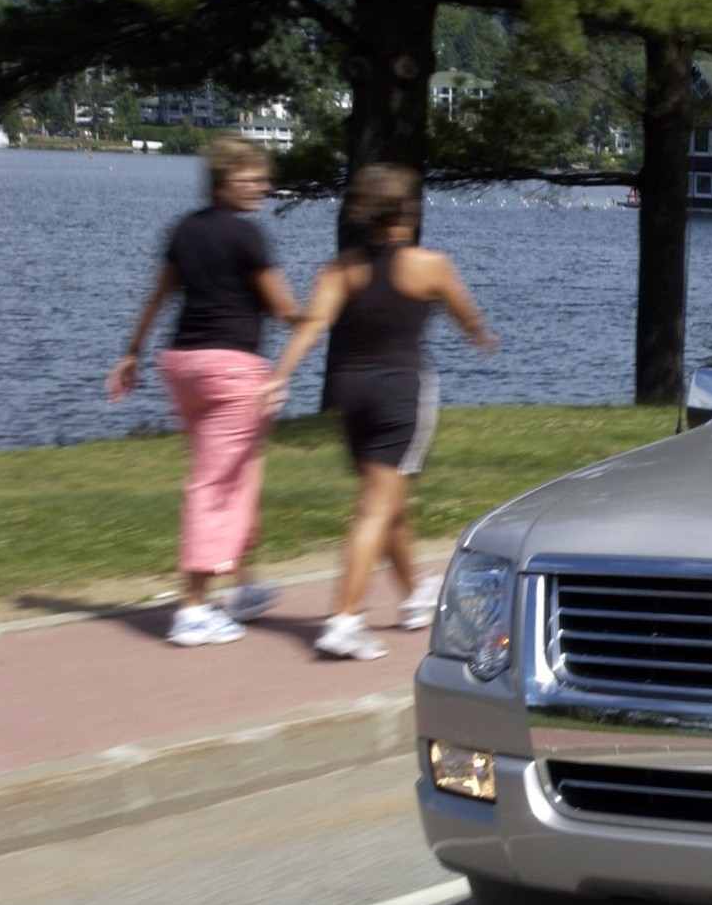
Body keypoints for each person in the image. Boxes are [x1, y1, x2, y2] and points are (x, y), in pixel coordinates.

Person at [266, 163, 496, 660]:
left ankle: (415, 593)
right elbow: (466, 315)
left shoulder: (340, 269)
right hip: (400, 391)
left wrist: (279, 375)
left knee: (389, 497)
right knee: (376, 505)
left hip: (350, 392)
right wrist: (481, 336)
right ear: (407, 211)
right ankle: (343, 620)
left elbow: (311, 326)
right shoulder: (429, 265)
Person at [107, 137, 300, 647]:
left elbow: (158, 296)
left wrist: (132, 353)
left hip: (183, 367)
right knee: (215, 486)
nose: (261, 186)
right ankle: (192, 610)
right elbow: (284, 308)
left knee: (239, 474)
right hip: (232, 371)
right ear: (223, 181)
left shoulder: (184, 229)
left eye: (263, 178)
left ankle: (243, 586)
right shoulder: (247, 235)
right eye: (250, 179)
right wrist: (324, 313)